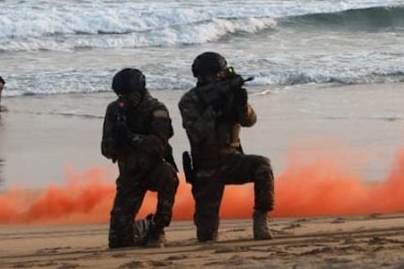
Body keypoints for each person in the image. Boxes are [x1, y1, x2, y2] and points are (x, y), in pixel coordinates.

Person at [178, 51, 274, 242]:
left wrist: (241, 105)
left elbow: (250, 121)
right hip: (206, 167)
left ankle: (261, 218)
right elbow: (196, 132)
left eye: (219, 75)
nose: (216, 79)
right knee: (206, 235)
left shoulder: (228, 94)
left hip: (232, 160)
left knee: (263, 166)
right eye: (212, 75)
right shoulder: (190, 100)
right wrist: (214, 109)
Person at [101, 68, 179, 248]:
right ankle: (144, 226)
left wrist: (132, 138)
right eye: (120, 95)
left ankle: (158, 228)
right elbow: (105, 150)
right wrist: (116, 142)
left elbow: (160, 143)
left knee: (169, 175)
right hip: (130, 174)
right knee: (118, 241)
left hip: (153, 169)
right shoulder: (114, 110)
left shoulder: (156, 109)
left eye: (128, 94)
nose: (124, 99)